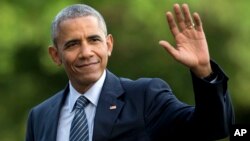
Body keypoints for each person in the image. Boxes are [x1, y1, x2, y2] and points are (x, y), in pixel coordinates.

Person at [25, 3, 234, 141]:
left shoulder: (144, 96)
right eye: (72, 44)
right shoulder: (40, 116)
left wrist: (204, 70)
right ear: (55, 55)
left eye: (94, 40)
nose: (86, 52)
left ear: (109, 45)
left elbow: (212, 128)